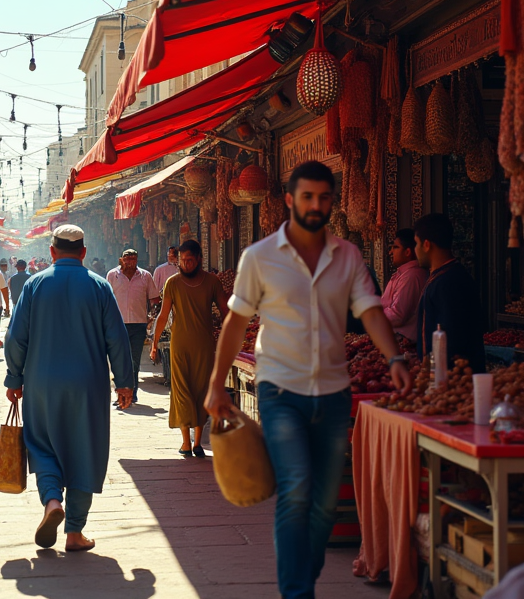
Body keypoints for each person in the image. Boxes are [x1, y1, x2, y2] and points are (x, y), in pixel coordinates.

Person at [205, 160, 411, 599]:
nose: (315, 205)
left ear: (331, 201)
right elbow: (236, 323)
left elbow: (371, 311)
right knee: (295, 490)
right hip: (280, 390)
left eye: (322, 197)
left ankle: (306, 568)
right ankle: (297, 593)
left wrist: (393, 356)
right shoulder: (259, 258)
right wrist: (217, 384)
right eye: (306, 197)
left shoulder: (349, 256)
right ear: (289, 201)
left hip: (334, 393)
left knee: (322, 505)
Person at [4, 224, 133, 553]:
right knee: (84, 449)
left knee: (41, 443)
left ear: (51, 252)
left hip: (41, 382)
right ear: (84, 252)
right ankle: (74, 532)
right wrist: (125, 383)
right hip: (88, 384)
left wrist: (14, 378)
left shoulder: (34, 285)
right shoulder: (100, 287)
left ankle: (51, 502)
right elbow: (117, 339)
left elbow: (16, 338)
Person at [151, 240, 228, 457]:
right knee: (182, 391)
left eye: (190, 261)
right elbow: (163, 315)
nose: (186, 265)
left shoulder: (212, 281)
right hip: (180, 345)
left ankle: (197, 443)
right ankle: (186, 442)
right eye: (182, 262)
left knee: (202, 390)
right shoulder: (172, 283)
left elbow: (224, 309)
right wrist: (155, 343)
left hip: (204, 344)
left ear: (199, 259)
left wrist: (231, 336)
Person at [414, 213, 486, 374]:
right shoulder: (444, 277)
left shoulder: (449, 281)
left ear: (426, 245)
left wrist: (436, 373)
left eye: (416, 244)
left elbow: (451, 337)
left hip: (454, 379)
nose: (415, 250)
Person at [106, 249, 160, 405]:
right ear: (121, 260)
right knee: (118, 360)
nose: (130, 262)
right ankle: (120, 391)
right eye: (127, 259)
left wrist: (152, 316)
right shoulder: (112, 275)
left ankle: (132, 393)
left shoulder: (145, 276)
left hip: (138, 324)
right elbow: (106, 299)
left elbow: (154, 299)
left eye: (133, 259)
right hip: (117, 324)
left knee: (134, 361)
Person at [381, 228, 428, 344]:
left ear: (408, 252)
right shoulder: (403, 274)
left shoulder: (411, 276)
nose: (390, 252)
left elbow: (397, 315)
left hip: (405, 344)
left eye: (395, 247)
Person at [151, 246, 180, 388]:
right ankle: (168, 374)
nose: (171, 258)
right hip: (165, 308)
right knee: (166, 342)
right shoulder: (160, 270)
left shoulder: (185, 272)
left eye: (173, 256)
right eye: (169, 255)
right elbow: (155, 292)